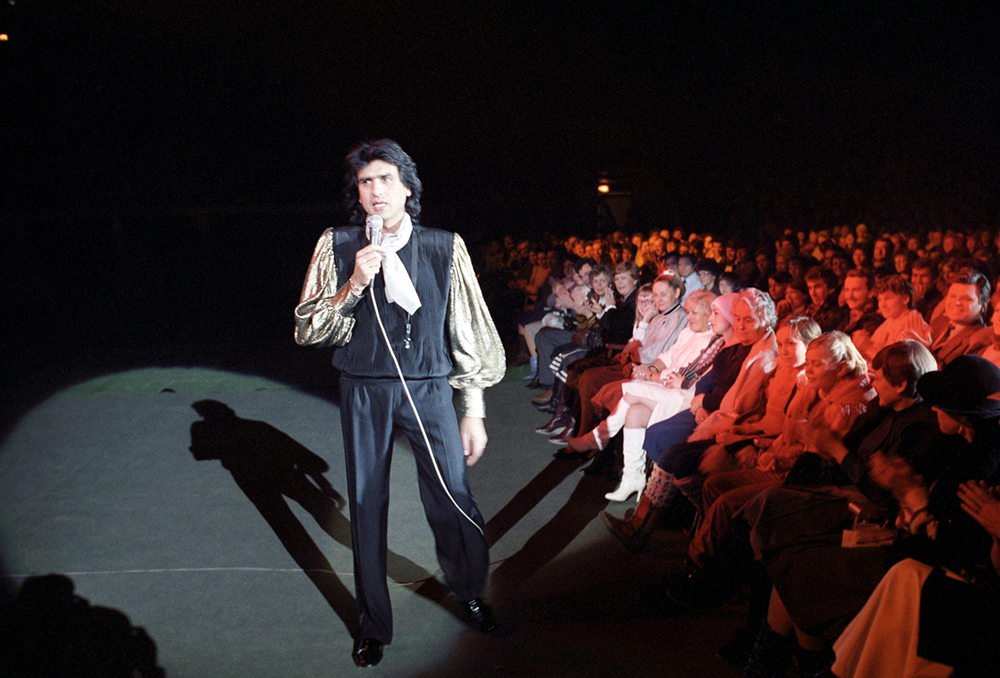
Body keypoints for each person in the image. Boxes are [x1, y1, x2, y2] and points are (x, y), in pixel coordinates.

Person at [294, 139, 505, 667]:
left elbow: (468, 329)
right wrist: (353, 284)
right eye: (365, 182)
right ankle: (373, 626)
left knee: (453, 495)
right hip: (364, 388)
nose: (375, 190)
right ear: (357, 193)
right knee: (367, 504)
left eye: (385, 178)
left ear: (407, 187)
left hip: (429, 385)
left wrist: (472, 407)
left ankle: (470, 589)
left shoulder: (443, 246)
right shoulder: (337, 244)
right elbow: (309, 329)